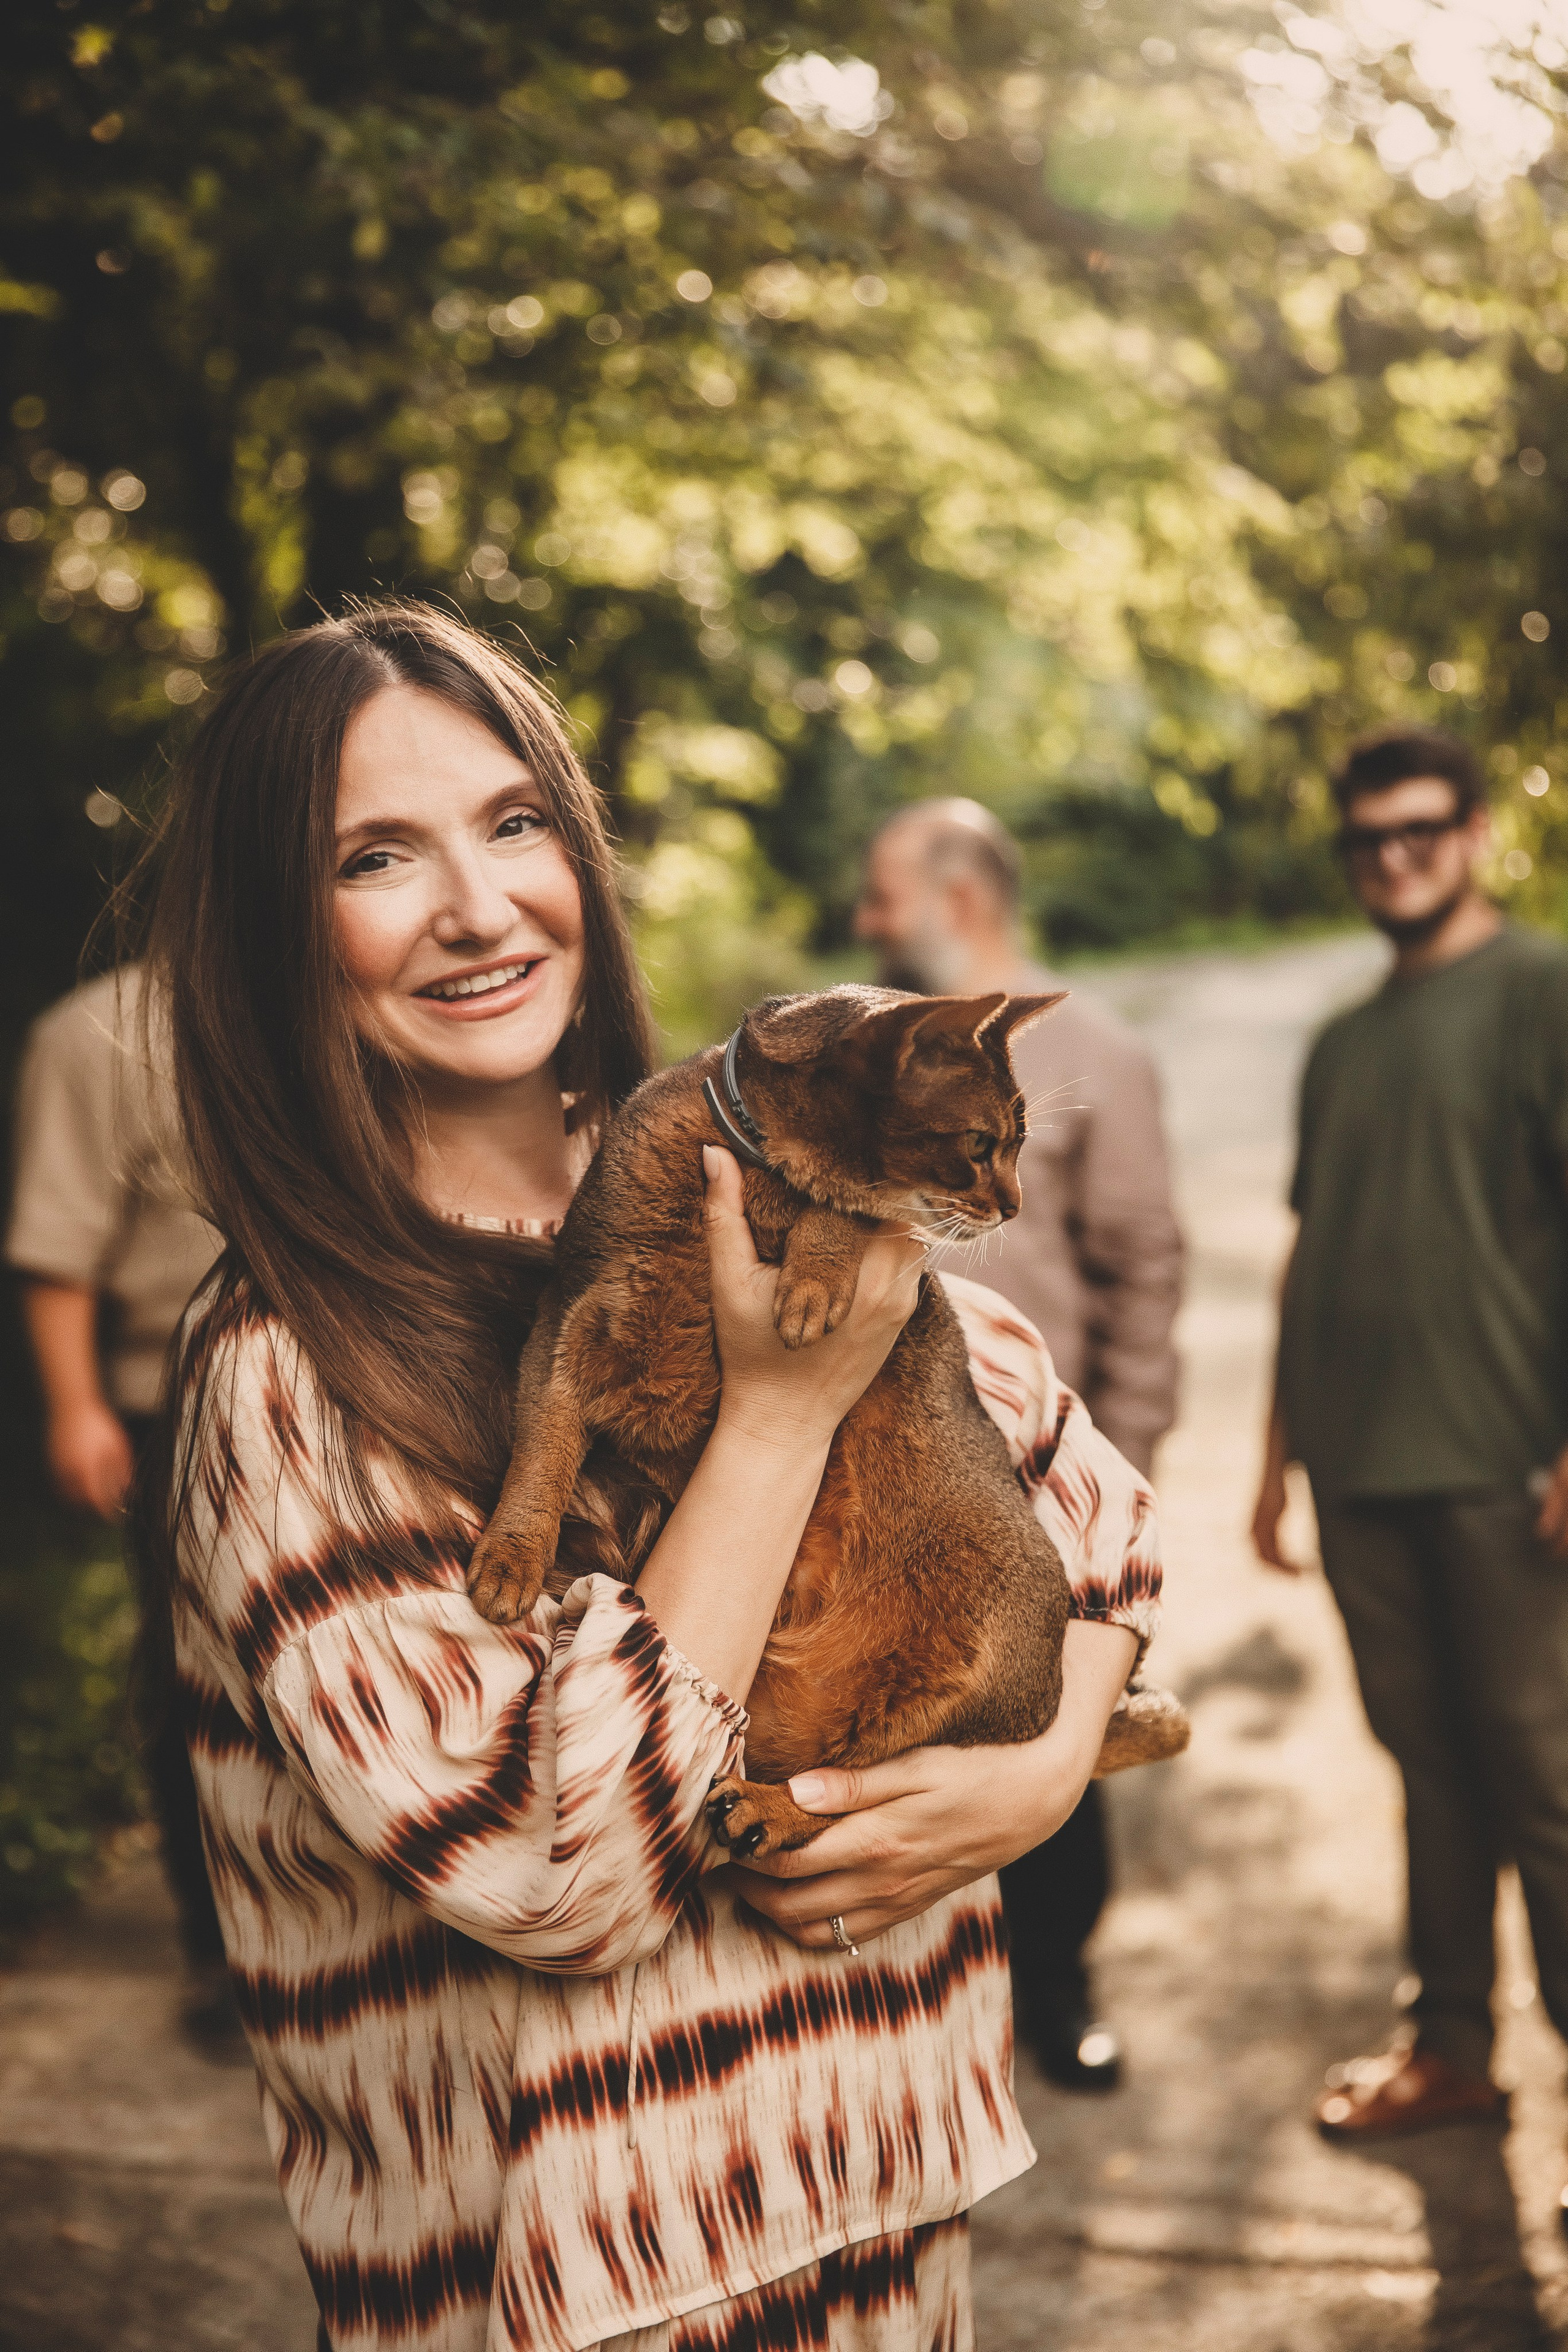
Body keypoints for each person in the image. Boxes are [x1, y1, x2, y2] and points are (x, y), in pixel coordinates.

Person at [136, 602, 1163, 2352]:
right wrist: (772, 1421)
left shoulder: (747, 1192)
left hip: (888, 2242)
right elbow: (571, 1873)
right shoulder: (282, 1380)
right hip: (579, 2303)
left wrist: (1046, 1770)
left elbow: (1099, 1530)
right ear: (271, 932)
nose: (477, 905)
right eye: (378, 857)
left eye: (514, 821)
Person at [1252, 725, 1568, 2164]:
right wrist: (1273, 1457)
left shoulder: (1540, 991)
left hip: (1503, 1460)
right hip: (1358, 1465)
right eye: (1365, 839)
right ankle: (1447, 2045)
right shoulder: (1344, 1038)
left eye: (1419, 829)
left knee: (1540, 1776)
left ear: (1474, 829)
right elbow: (1309, 1244)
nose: (1392, 857)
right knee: (1424, 1765)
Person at [855, 799, 1183, 2093]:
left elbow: (1142, 1272)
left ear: (960, 900)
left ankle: (1057, 1989)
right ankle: (921, 2003)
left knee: (1049, 1737)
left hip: (1032, 1484)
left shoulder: (1091, 1057)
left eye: (886, 897)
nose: (867, 922)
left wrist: (1119, 1477)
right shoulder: (863, 1057)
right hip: (866, 1476)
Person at [6, 964, 230, 2041]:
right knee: (202, 1679)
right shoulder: (98, 1033)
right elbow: (60, 1245)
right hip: (171, 1400)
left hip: (371, 1378)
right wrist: (75, 1406)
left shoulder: (356, 993)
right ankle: (225, 1958)